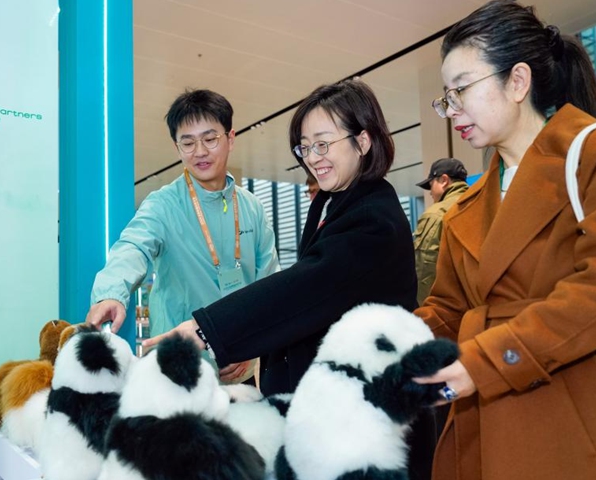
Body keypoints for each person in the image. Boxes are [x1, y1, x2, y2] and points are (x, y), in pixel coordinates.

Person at [145, 79, 437, 480]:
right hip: (330, 416)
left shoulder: (372, 217)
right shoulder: (334, 202)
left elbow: (303, 287)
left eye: (323, 144)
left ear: (363, 141)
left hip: (364, 430)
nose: (313, 158)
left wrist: (206, 329)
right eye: (305, 146)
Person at [411, 1, 596, 479]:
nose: (451, 109)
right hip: (485, 420)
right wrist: (385, 340)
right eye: (447, 97)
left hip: (579, 417)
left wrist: (486, 360)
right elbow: (448, 308)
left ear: (518, 81)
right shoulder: (470, 202)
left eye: (462, 89)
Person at [86, 89, 279, 384]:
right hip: (178, 371)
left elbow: (269, 285)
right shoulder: (163, 204)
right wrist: (111, 292)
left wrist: (253, 346)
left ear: (230, 138)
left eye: (210, 138)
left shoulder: (252, 207)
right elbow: (133, 246)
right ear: (177, 148)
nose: (199, 151)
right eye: (187, 142)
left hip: (242, 369)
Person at [413, 158, 469, 305]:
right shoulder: (480, 202)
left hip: (447, 306)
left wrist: (422, 309)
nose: (431, 192)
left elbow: (425, 268)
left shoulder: (436, 213)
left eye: (431, 184)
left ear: (444, 180)